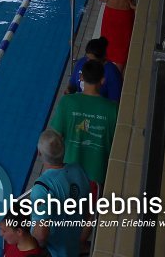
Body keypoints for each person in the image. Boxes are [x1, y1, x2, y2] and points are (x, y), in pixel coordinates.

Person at [49, 59, 118, 188]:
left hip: (68, 174)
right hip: (97, 177)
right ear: (103, 80)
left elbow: (54, 140)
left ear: (81, 77)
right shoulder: (113, 109)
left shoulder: (67, 102)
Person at [27, 129, 92, 257]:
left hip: (55, 251)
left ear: (39, 153)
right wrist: (80, 240)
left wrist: (40, 246)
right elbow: (89, 213)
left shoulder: (42, 188)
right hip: (75, 245)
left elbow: (41, 235)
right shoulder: (78, 170)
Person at [68, 37, 123, 102]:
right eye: (87, 58)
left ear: (102, 58)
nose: (87, 61)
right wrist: (68, 92)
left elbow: (114, 101)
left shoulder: (112, 73)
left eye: (91, 60)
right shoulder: (81, 62)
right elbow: (72, 84)